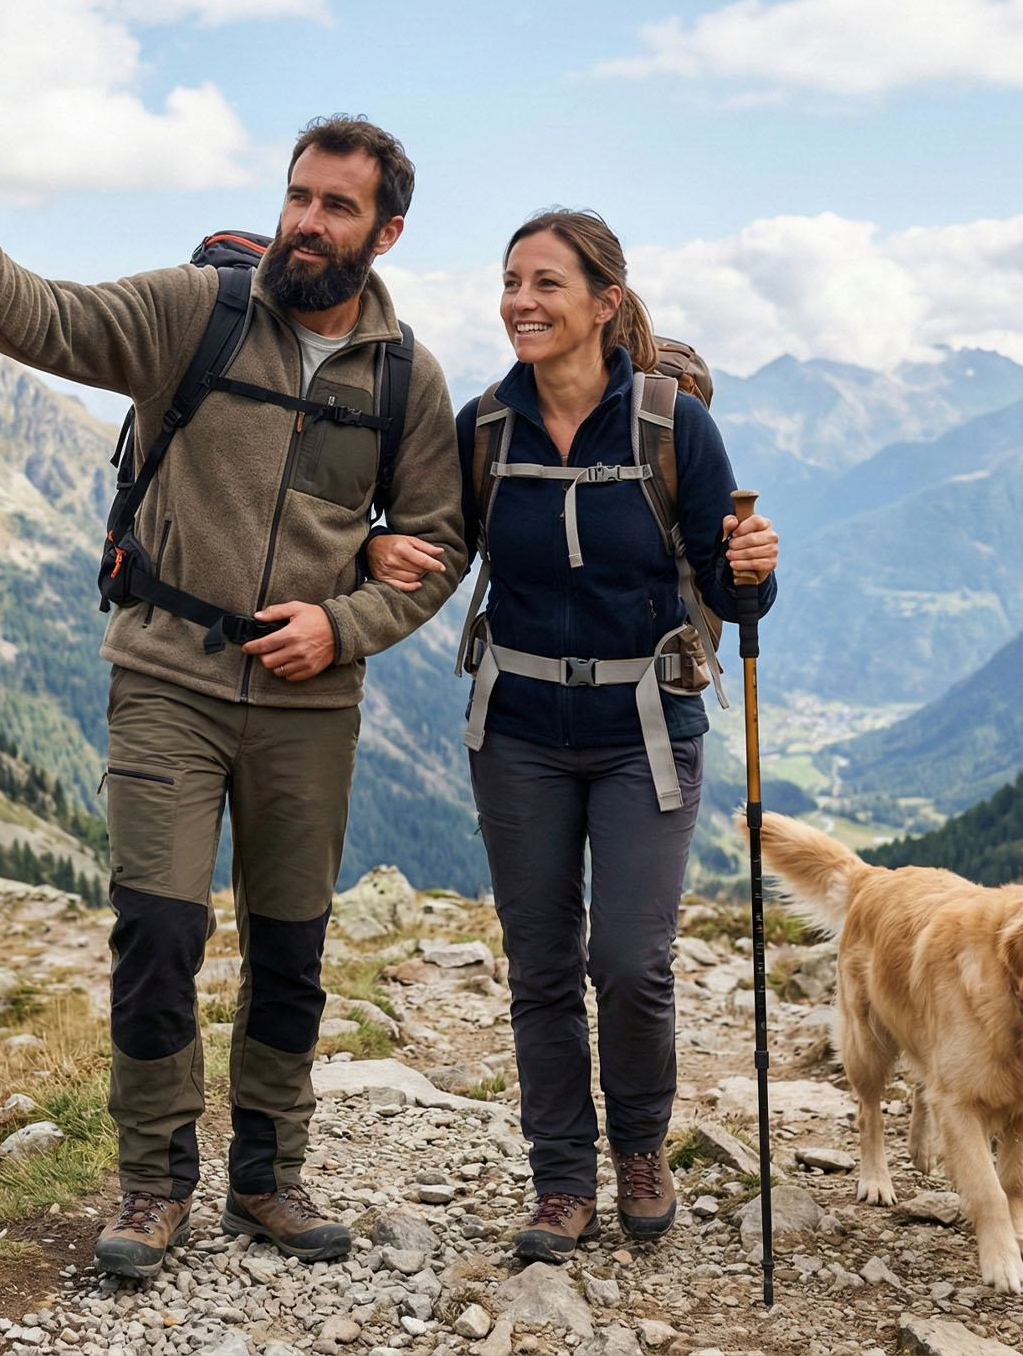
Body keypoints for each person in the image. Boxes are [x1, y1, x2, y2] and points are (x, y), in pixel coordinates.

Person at [0, 117, 467, 1279]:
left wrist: (342, 623)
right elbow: (56, 320)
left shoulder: (405, 378)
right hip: (167, 675)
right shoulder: (196, 311)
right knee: (157, 930)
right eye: (298, 195)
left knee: (290, 946)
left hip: (310, 703)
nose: (306, 220)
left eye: (337, 205)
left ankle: (266, 1176)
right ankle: (152, 1180)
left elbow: (438, 543)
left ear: (386, 231)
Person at [369, 209, 778, 1259]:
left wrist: (754, 570)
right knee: (541, 964)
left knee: (631, 960)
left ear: (604, 302)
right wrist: (375, 553)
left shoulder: (671, 426)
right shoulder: (483, 427)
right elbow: (439, 544)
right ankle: (560, 1178)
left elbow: (730, 593)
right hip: (514, 728)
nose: (520, 301)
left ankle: (638, 1149)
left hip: (644, 725)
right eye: (511, 281)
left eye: (546, 283)